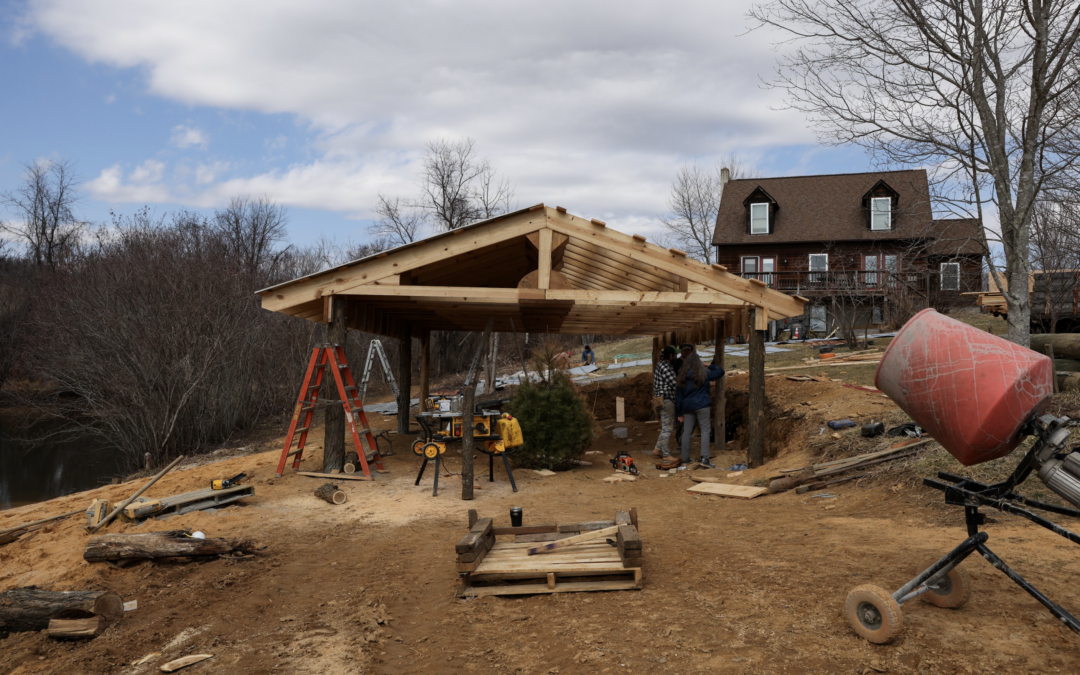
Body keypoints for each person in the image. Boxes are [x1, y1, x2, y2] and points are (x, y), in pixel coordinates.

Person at [675, 346, 724, 469]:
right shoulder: (704, 373)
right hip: (702, 405)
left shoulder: (682, 375)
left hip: (687, 406)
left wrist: (679, 412)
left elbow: (678, 396)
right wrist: (707, 364)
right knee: (705, 431)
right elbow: (720, 371)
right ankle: (704, 458)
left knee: (686, 432)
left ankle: (685, 459)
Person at [651, 346, 678, 462]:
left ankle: (657, 449)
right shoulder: (666, 367)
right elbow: (675, 383)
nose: (676, 357)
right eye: (675, 355)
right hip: (667, 399)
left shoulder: (659, 365)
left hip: (661, 399)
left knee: (665, 426)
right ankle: (666, 454)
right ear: (671, 355)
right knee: (667, 428)